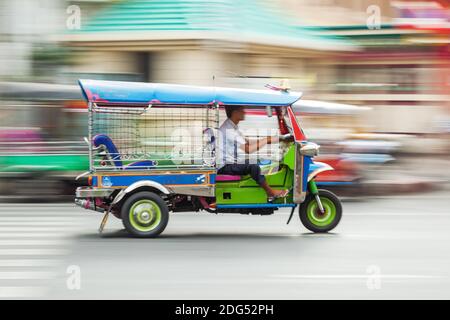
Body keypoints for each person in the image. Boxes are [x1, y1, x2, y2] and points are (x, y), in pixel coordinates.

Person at [217, 105, 291, 198]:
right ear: (235, 113)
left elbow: (248, 142)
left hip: (230, 162)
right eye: (242, 110)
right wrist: (267, 140)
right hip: (224, 166)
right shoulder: (229, 130)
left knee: (261, 160)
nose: (244, 112)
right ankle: (270, 192)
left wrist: (278, 139)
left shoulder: (232, 126)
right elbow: (249, 149)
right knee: (253, 167)